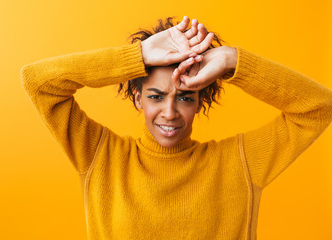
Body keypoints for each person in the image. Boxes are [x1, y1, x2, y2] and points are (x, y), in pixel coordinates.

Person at [20, 16, 332, 240]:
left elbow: (319, 107)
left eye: (184, 97)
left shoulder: (240, 161)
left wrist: (231, 59)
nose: (169, 112)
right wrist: (137, 56)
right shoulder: (100, 154)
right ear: (138, 98)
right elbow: (39, 82)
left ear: (200, 102)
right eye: (156, 96)